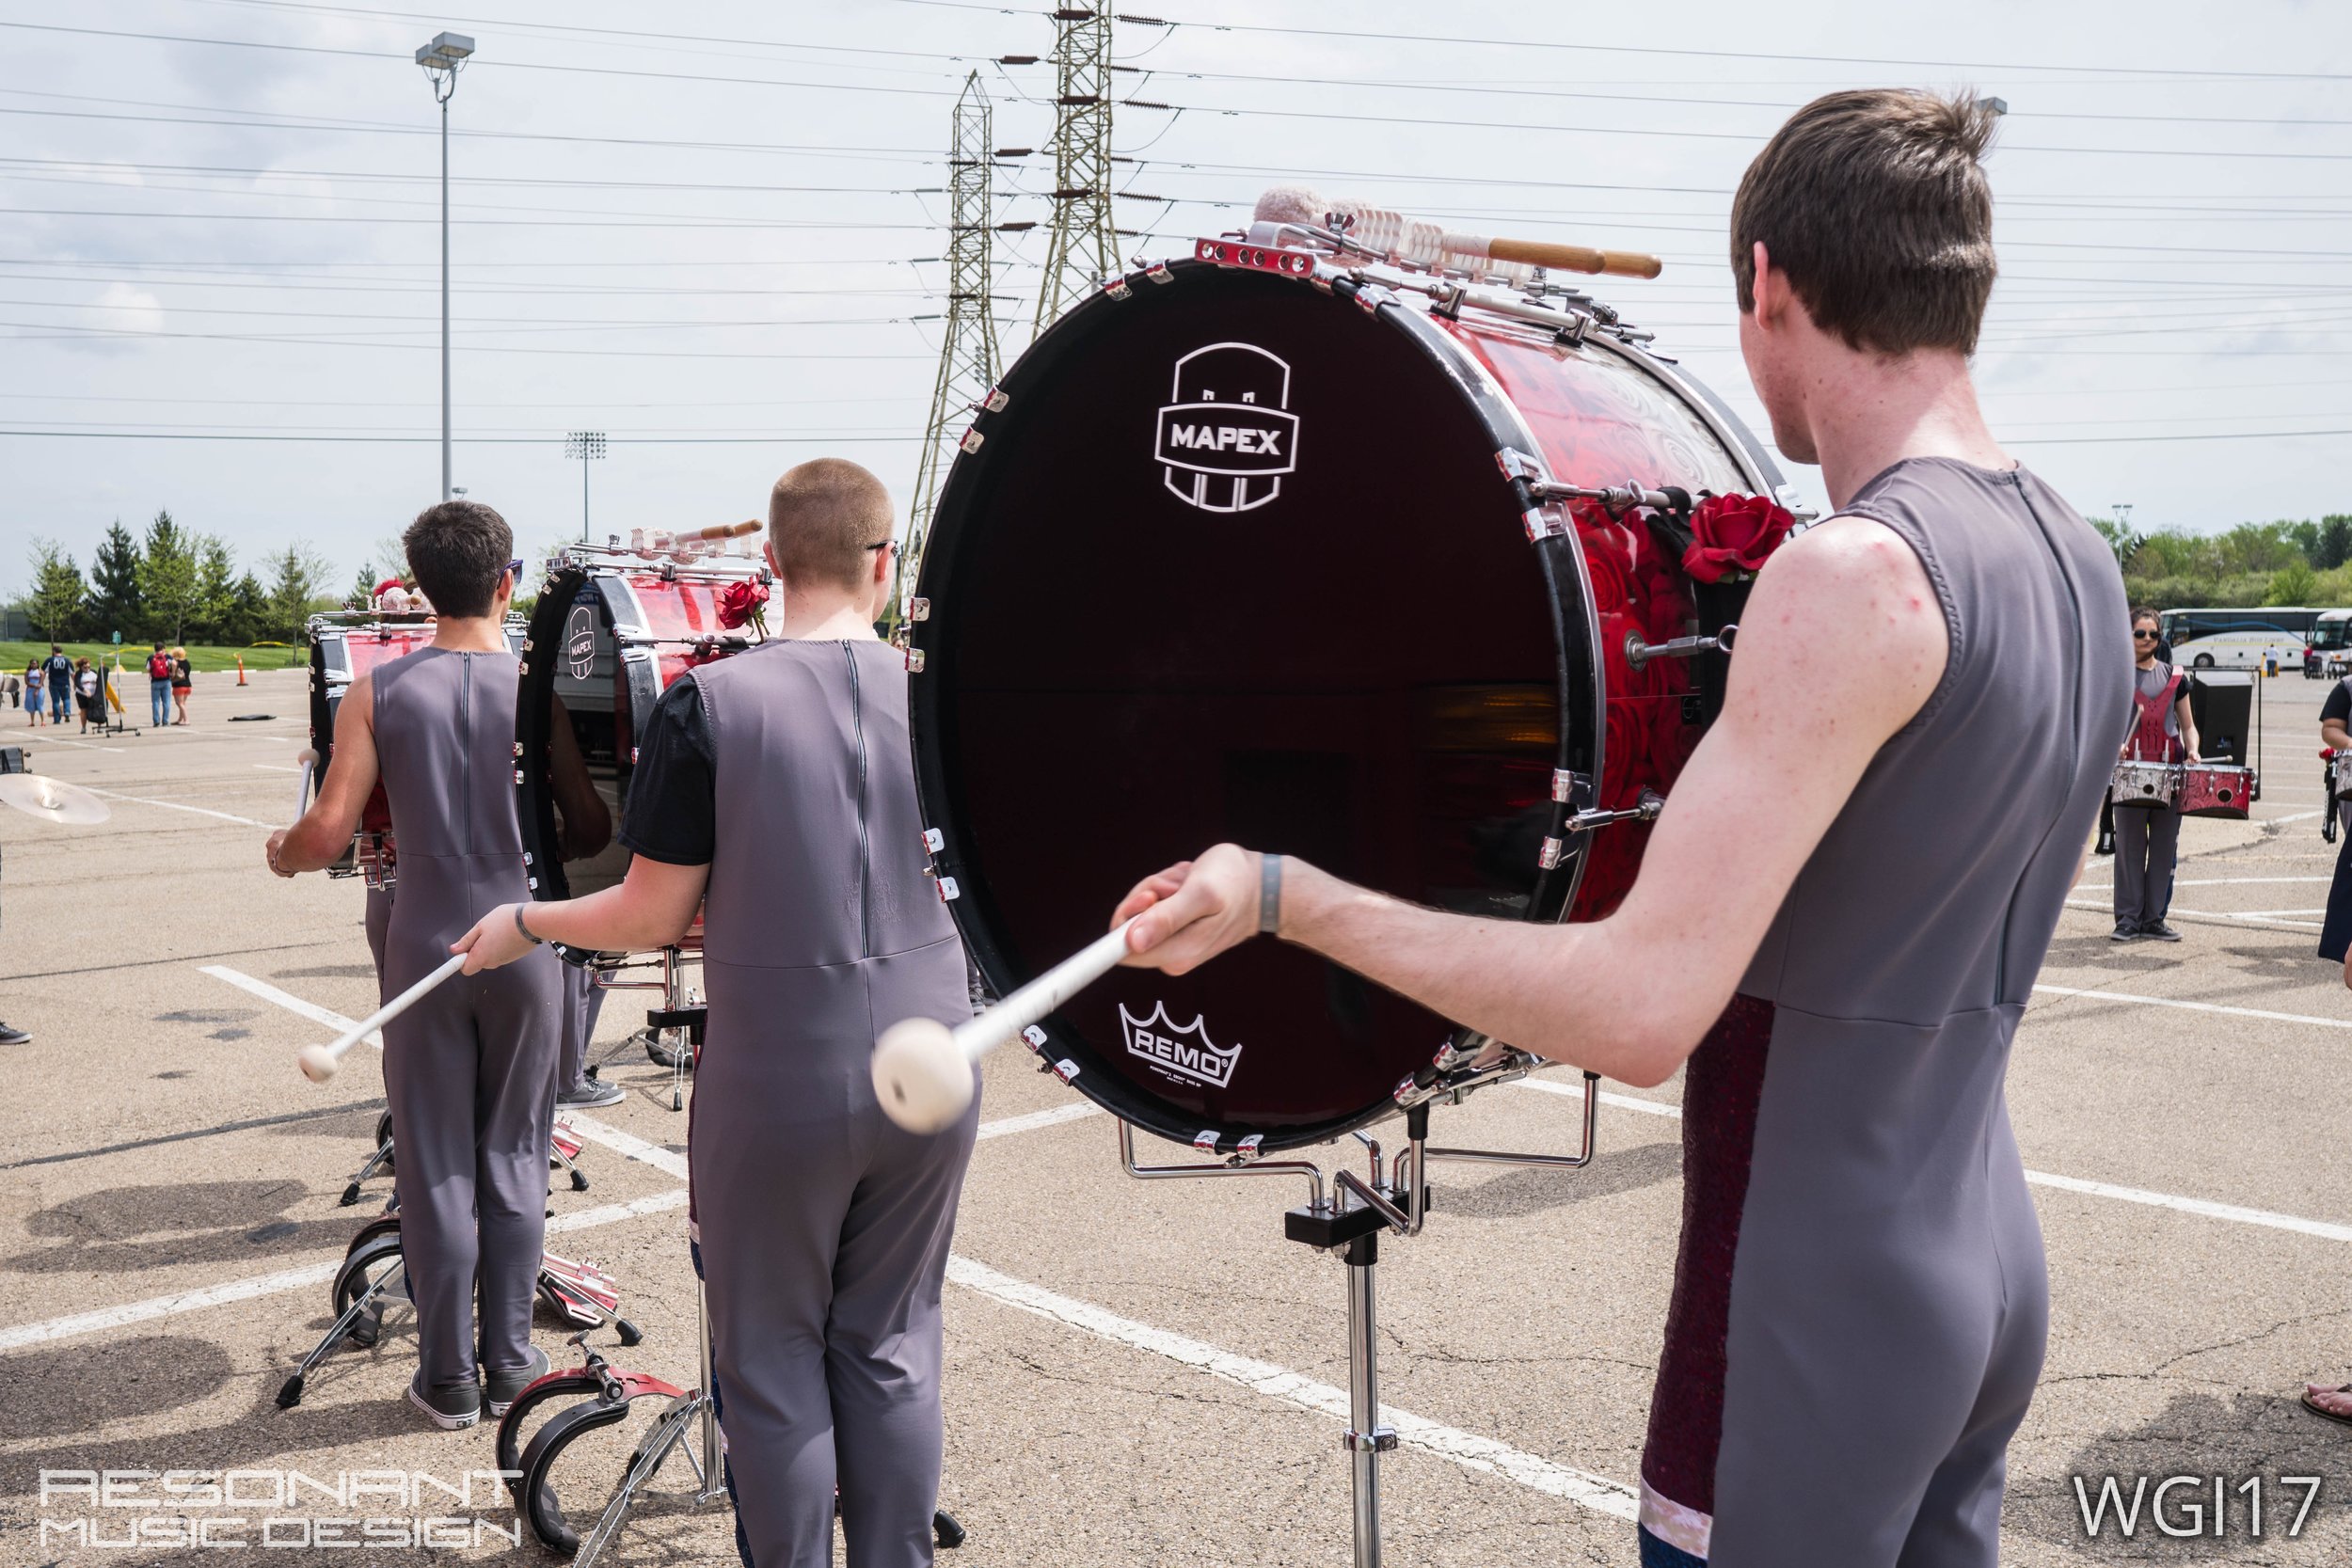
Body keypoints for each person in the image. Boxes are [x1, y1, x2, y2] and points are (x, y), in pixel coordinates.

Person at [1104, 91, 2130, 1568]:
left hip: (1806, 1312)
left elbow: (1644, 1009)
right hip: (1979, 1259)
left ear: (1771, 281)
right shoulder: (2074, 556)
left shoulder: (1858, 573)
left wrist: (1287, 893)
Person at [454, 459, 976, 1568]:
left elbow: (652, 908)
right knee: (891, 1339)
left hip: (780, 1071)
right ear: (887, 562)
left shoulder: (711, 702)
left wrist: (528, 921)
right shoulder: (947, 691)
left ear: (772, 562)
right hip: (938, 1054)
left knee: (773, 1353)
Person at [266, 499, 603, 1431]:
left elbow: (329, 832)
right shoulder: (534, 691)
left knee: (434, 1158)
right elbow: (588, 825)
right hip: (525, 942)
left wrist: (282, 849)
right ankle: (508, 1360)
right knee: (515, 1148)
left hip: (420, 941)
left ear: (419, 590)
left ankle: (446, 1374)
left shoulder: (377, 690)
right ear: (509, 581)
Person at [2109, 608, 2199, 944]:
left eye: (2153, 634)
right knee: (2130, 848)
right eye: (2140, 633)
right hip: (2130, 772)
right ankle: (2129, 920)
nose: (2147, 639)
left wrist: (2193, 750)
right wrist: (2111, 746)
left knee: (2163, 849)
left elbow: (2188, 726)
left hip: (2170, 773)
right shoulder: (2114, 674)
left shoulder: (2176, 677)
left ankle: (2155, 918)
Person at [146, 641, 173, 729]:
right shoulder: (167, 657)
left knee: (155, 702)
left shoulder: (151, 657)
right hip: (166, 681)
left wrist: (151, 673)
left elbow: (148, 668)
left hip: (155, 682)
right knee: (166, 702)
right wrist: (172, 672)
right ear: (163, 649)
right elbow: (175, 663)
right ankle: (165, 721)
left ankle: (156, 721)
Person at [42, 645, 71, 726]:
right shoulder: (67, 660)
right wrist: (75, 683)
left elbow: (43, 672)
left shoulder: (50, 660)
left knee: (55, 702)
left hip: (54, 683)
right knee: (66, 699)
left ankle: (57, 719)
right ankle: (67, 712)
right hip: (65, 683)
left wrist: (41, 682)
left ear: (54, 651)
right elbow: (72, 673)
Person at [169, 647, 192, 725]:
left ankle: (186, 719)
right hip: (188, 685)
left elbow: (173, 674)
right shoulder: (187, 662)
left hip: (179, 685)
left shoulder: (175, 662)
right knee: (183, 703)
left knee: (179, 703)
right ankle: (180, 719)